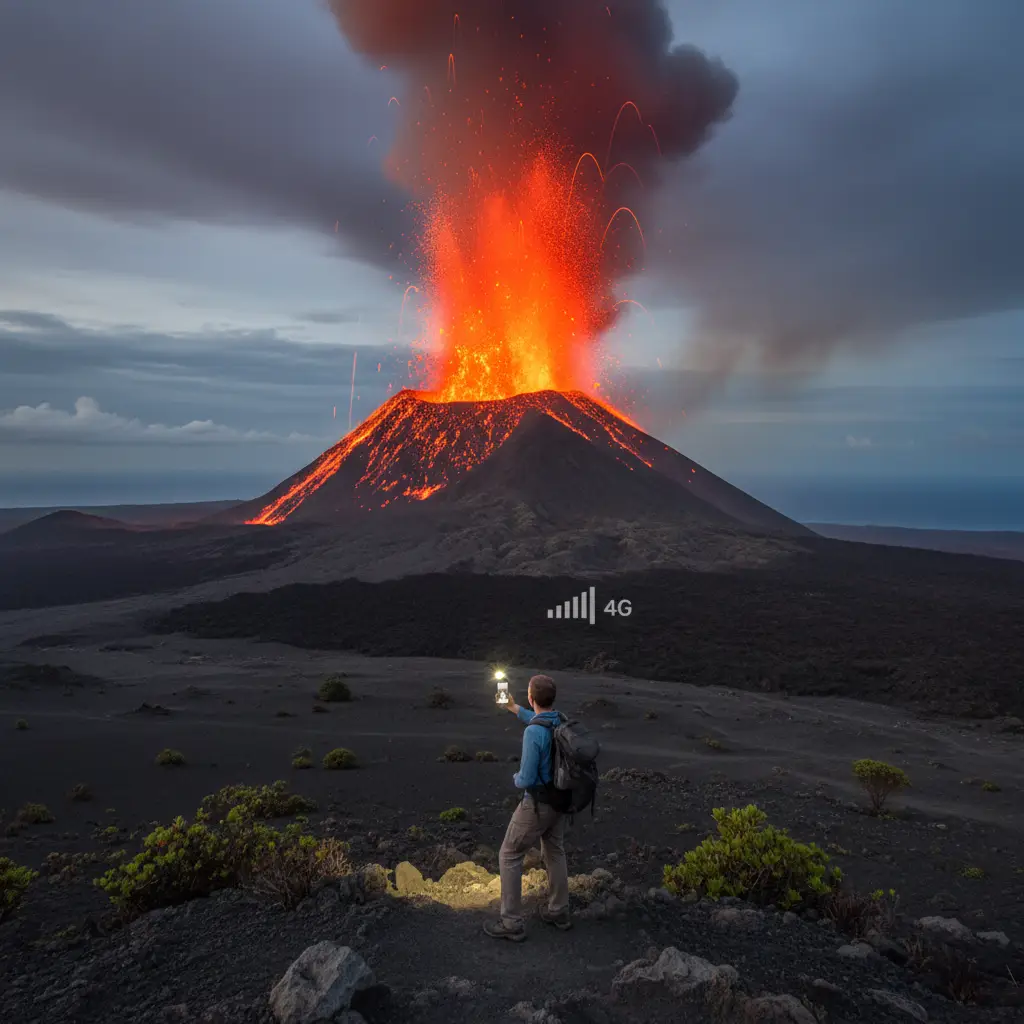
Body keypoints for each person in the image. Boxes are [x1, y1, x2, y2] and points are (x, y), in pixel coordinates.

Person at [484, 673, 571, 941]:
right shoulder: (561, 720)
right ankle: (559, 910)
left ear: (531, 697)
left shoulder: (533, 732)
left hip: (537, 804)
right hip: (561, 801)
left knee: (509, 854)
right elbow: (537, 720)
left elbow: (527, 777)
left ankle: (511, 922)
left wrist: (515, 778)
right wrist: (512, 707)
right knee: (555, 850)